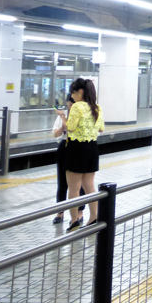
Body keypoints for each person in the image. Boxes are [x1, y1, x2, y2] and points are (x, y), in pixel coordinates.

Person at [59, 78, 104, 230]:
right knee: (90, 186)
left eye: (73, 92)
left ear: (80, 92)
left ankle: (74, 220)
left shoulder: (77, 107)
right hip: (92, 148)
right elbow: (101, 129)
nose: (72, 96)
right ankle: (93, 217)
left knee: (74, 188)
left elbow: (70, 128)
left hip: (76, 148)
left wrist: (63, 118)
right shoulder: (97, 107)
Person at [51, 96, 84, 224]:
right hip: (64, 148)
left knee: (78, 183)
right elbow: (55, 134)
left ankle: (80, 212)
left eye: (72, 104)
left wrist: (64, 120)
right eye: (69, 104)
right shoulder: (62, 115)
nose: (70, 107)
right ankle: (60, 211)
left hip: (78, 148)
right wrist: (62, 126)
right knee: (62, 181)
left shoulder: (81, 115)